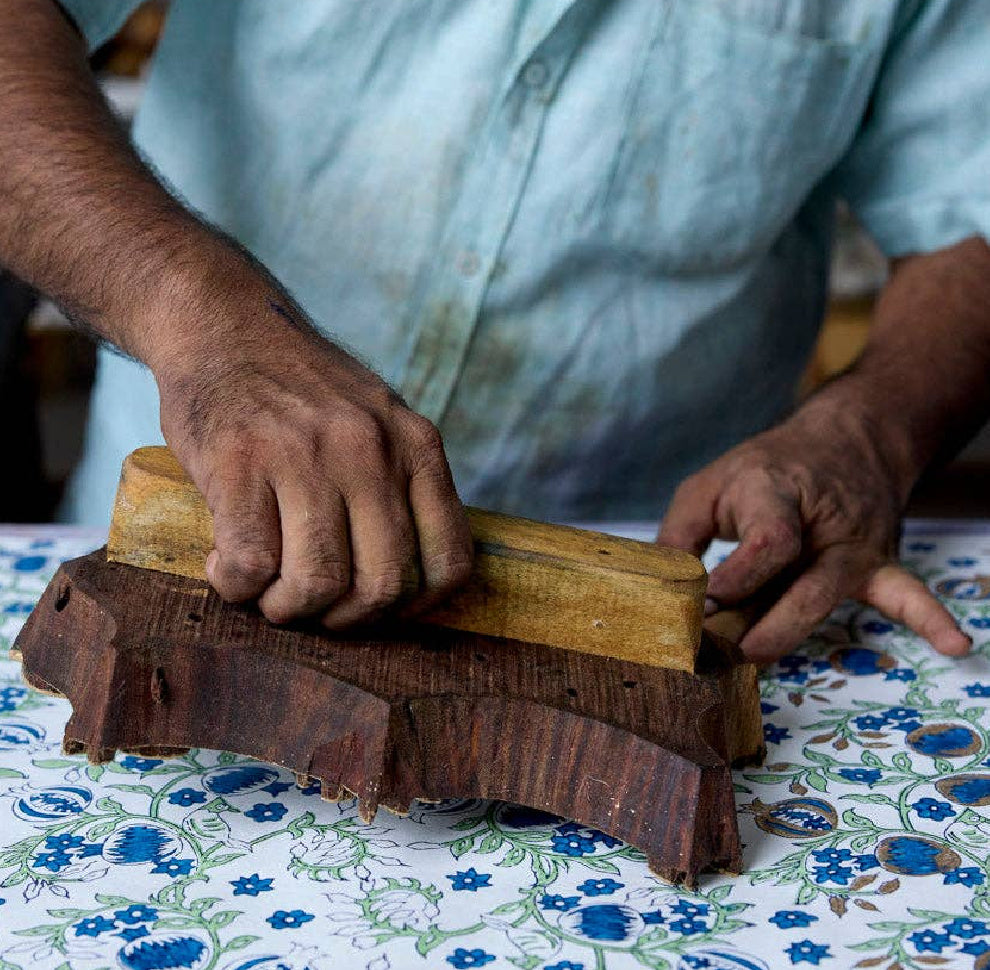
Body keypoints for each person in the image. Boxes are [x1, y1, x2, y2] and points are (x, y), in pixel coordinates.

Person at [0, 0, 987, 661]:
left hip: (652, 592)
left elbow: (969, 210)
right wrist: (203, 319)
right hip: (204, 533)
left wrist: (871, 431)